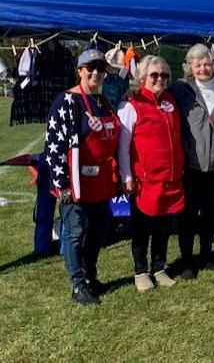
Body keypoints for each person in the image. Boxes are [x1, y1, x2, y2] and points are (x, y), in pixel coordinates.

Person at [45, 49, 121, 305]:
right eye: (91, 68)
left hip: (101, 184)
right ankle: (78, 285)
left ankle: (90, 275)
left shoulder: (104, 101)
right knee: (75, 233)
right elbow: (53, 145)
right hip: (76, 185)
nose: (97, 73)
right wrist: (62, 185)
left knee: (99, 231)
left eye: (101, 68)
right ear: (80, 71)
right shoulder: (67, 101)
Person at [118, 55, 185, 292]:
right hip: (144, 181)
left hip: (170, 178)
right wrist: (126, 176)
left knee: (163, 227)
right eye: (154, 75)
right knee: (141, 228)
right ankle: (141, 272)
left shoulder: (170, 100)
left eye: (164, 75)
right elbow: (123, 146)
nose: (159, 79)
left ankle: (159, 267)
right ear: (143, 77)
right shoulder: (131, 104)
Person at [169, 43, 214, 280]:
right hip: (190, 163)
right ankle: (187, 261)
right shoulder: (180, 89)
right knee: (186, 216)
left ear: (213, 65)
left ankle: (207, 256)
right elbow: (158, 99)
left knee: (210, 214)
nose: (203, 68)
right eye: (197, 64)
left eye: (207, 63)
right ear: (189, 67)